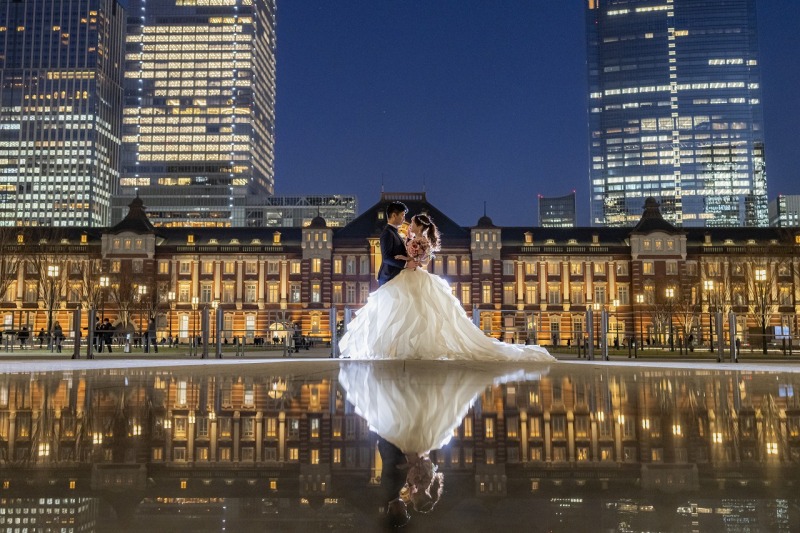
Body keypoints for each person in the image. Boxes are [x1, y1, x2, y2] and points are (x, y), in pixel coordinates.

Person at [338, 361, 549, 524]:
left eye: (405, 509)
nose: (409, 504)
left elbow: (392, 466)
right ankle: (407, 385)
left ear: (396, 510)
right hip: (406, 447)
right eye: (418, 501)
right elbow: (415, 465)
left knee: (408, 414)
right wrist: (413, 459)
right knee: (410, 414)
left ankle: (406, 385)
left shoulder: (393, 490)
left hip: (399, 446)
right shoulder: (404, 488)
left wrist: (406, 459)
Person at [339, 213, 554, 362]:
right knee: (410, 313)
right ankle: (405, 348)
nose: (409, 225)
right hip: (408, 275)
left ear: (419, 226)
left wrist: (407, 258)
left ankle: (413, 348)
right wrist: (405, 257)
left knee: (416, 313)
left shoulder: (420, 240)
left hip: (413, 276)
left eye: (412, 222)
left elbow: (421, 260)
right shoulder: (413, 238)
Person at [377, 201, 417, 286]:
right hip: (389, 278)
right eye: (402, 215)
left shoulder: (394, 232)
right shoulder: (387, 233)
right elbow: (386, 258)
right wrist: (406, 264)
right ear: (394, 216)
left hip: (394, 277)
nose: (404, 219)